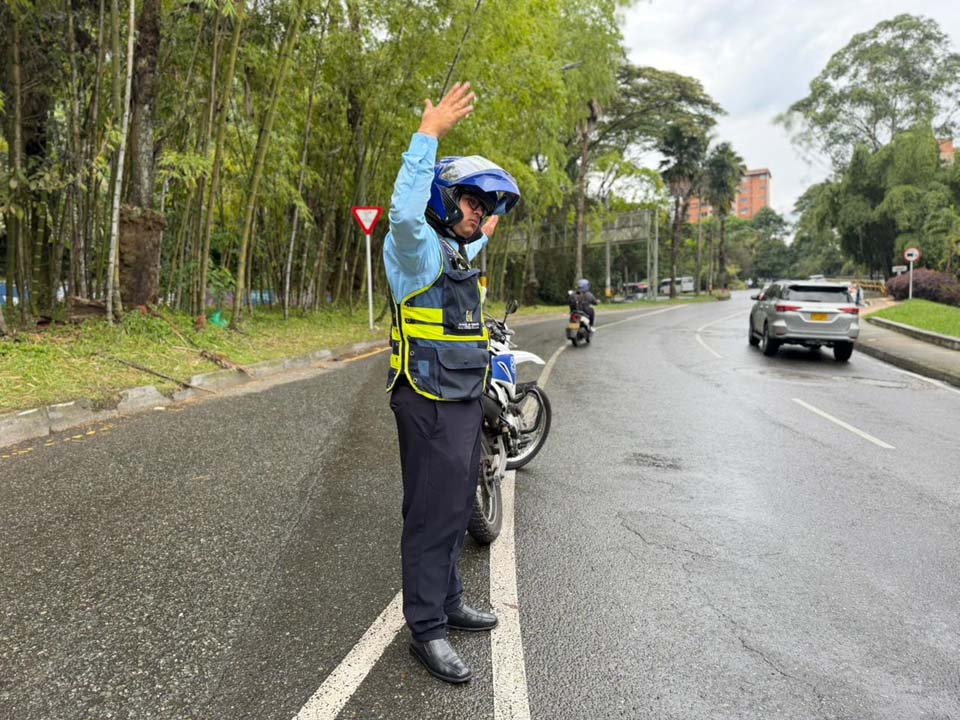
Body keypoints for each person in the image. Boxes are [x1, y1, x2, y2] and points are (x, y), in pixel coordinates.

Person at [383, 81, 520, 684]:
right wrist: (428, 135)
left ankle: (450, 600)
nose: (479, 214)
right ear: (444, 199)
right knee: (431, 514)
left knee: (457, 504)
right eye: (469, 201)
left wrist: (486, 225)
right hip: (427, 397)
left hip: (462, 399)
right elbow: (403, 212)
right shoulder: (415, 248)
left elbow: (474, 243)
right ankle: (426, 629)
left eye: (484, 207)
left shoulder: (458, 253)